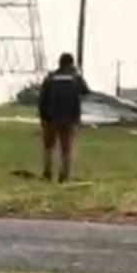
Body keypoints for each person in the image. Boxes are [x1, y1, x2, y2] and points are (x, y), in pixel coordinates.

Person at [37, 53, 90, 183]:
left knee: (49, 145)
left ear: (59, 63)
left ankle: (47, 172)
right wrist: (79, 74)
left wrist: (43, 116)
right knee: (66, 147)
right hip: (69, 118)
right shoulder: (74, 78)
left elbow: (42, 98)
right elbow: (85, 91)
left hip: (50, 117)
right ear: (71, 64)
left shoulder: (50, 78)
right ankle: (64, 174)